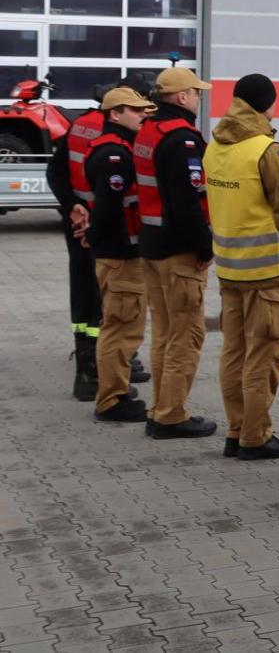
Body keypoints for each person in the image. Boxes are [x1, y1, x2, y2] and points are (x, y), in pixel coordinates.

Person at [205, 74, 279, 460]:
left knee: (234, 350)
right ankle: (256, 436)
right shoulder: (267, 150)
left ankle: (236, 429)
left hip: (228, 268)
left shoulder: (215, 145)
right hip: (266, 270)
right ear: (267, 105)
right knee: (265, 354)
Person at [135, 66, 218, 440]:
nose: (199, 98)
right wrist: (204, 246)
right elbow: (187, 203)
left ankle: (159, 407)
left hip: (150, 245)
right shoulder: (182, 139)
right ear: (182, 97)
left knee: (165, 333)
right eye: (196, 93)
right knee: (185, 334)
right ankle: (171, 415)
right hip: (178, 250)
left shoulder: (148, 130)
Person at [84, 86, 155, 423]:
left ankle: (116, 390)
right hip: (121, 254)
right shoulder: (115, 154)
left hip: (115, 251)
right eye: (135, 110)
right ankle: (112, 400)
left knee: (119, 324)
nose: (142, 115)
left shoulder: (110, 148)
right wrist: (94, 237)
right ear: (115, 113)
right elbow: (110, 207)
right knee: (123, 327)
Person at [49, 84, 106, 400]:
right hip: (103, 229)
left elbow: (55, 172)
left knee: (84, 290)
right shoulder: (114, 134)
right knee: (105, 297)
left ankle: (86, 364)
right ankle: (93, 369)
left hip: (78, 223)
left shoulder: (80, 125)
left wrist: (71, 206)